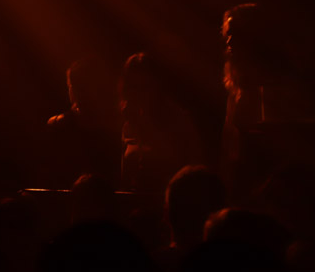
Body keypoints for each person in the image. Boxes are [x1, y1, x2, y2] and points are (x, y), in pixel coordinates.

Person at [118, 53, 202, 194]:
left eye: (145, 87)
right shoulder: (129, 125)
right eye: (134, 87)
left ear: (157, 86)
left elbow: (194, 170)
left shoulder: (178, 122)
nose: (139, 94)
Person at [44, 57, 121, 188]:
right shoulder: (59, 125)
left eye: (83, 87)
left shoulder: (115, 126)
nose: (80, 93)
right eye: (75, 86)